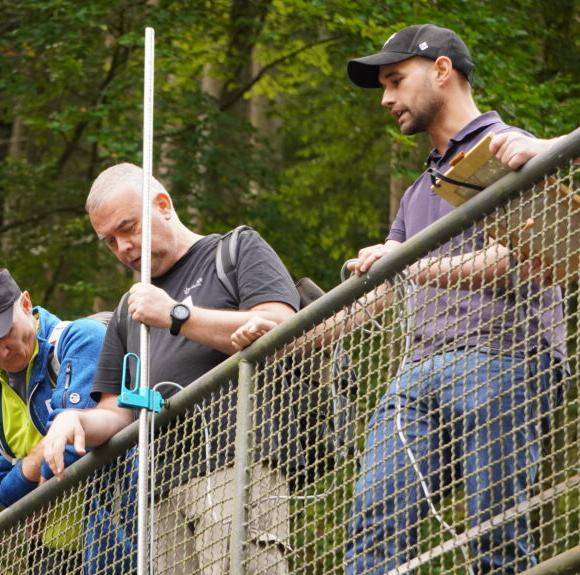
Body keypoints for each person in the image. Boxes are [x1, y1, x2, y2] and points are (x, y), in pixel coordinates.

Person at [343, 24, 567, 574]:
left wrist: (411, 263)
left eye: (395, 80)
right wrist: (280, 341)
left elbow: (516, 260)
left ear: (441, 70)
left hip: (505, 356)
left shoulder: (508, 147)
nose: (387, 99)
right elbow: (378, 296)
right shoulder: (418, 190)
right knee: (372, 528)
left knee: (494, 538)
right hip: (415, 373)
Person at [42, 163, 300, 575]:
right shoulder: (130, 308)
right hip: (159, 490)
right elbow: (116, 412)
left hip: (236, 464)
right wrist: (73, 420)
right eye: (110, 241)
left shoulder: (234, 250)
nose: (124, 247)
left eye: (129, 228)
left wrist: (177, 315)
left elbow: (281, 325)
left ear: (163, 205)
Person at [0, 268, 107, 574]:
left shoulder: (80, 340)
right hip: (52, 550)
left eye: (2, 333)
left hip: (115, 533)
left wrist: (35, 484)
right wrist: (41, 462)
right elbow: (1, 488)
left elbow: (79, 441)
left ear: (25, 304)